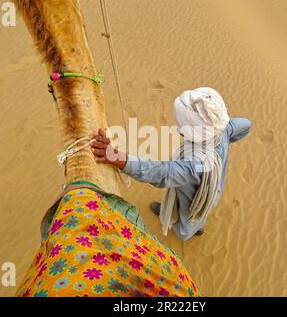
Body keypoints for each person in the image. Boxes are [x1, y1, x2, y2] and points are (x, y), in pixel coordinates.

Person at [92, 87, 251, 241]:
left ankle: (193, 229)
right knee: (200, 206)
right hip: (213, 188)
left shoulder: (196, 163)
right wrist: (227, 141)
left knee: (189, 219)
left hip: (195, 197)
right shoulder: (223, 130)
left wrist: (115, 157)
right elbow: (246, 125)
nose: (178, 126)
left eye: (182, 124)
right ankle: (178, 215)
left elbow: (161, 173)